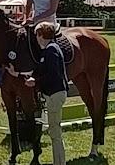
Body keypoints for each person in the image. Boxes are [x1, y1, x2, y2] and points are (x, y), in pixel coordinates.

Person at [26, 21, 69, 165]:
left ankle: (60, 162)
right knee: (54, 130)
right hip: (53, 94)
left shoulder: (51, 50)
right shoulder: (48, 50)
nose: (36, 39)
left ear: (40, 35)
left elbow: (53, 74)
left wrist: (36, 82)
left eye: (36, 35)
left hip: (55, 94)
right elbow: (42, 71)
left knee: (55, 131)